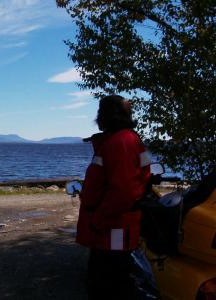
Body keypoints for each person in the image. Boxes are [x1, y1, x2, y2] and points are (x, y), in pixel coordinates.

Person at [77, 95, 158, 299]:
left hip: (113, 229)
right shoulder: (130, 139)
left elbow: (124, 192)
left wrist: (98, 220)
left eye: (100, 112)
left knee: (106, 283)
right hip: (117, 226)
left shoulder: (120, 142)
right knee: (116, 278)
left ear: (106, 115)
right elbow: (142, 177)